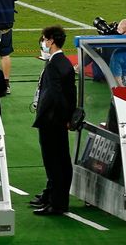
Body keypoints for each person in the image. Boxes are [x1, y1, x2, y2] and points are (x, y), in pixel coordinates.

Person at [31, 26, 77, 216]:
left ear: (50, 41)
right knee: (61, 161)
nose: (43, 42)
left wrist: (55, 117)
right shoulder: (65, 62)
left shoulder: (53, 65)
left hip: (51, 121)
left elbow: (55, 95)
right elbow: (70, 93)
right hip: (59, 120)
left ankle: (56, 203)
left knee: (54, 163)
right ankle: (54, 199)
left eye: (44, 39)